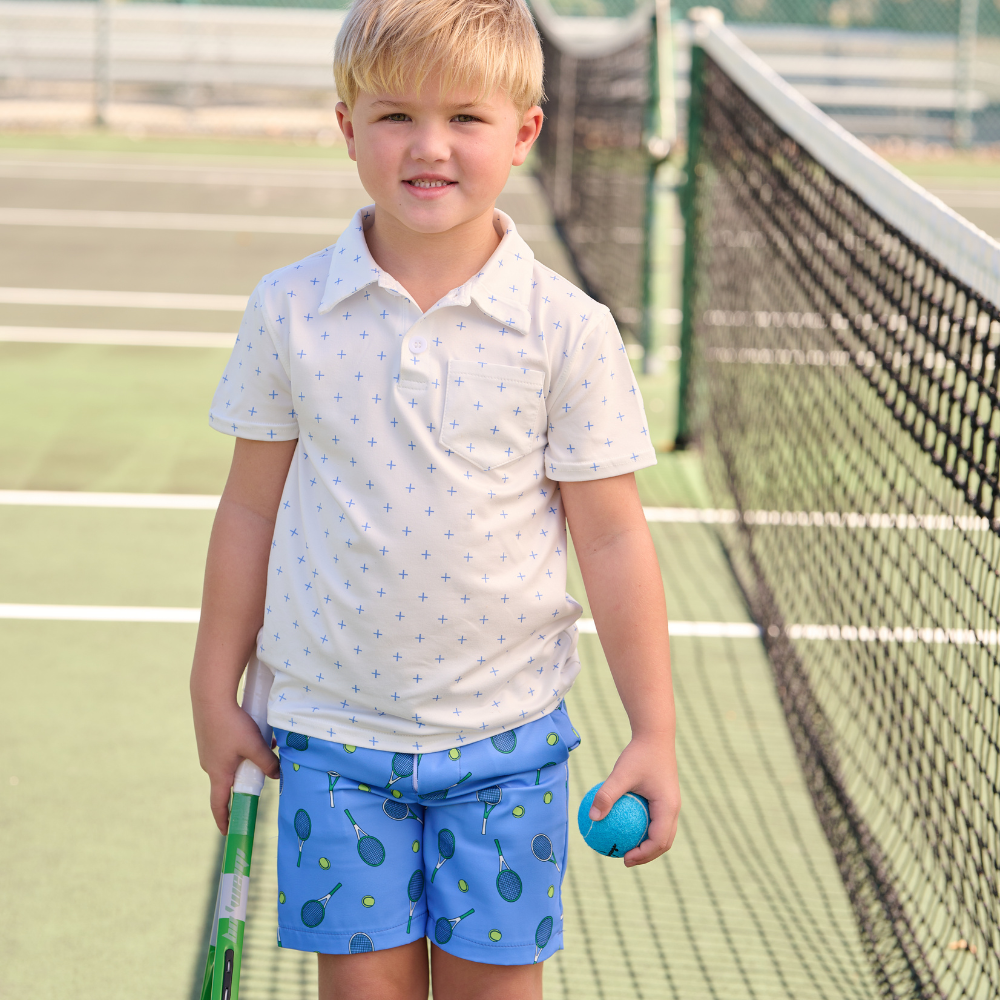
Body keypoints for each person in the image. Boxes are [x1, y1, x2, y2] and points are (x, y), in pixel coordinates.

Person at [190, 0, 680, 996]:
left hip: (509, 745)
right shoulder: (288, 310)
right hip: (332, 738)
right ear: (345, 126)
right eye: (394, 116)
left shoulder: (567, 330)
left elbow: (616, 539)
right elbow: (248, 511)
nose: (429, 146)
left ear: (525, 131)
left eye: (465, 117)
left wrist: (654, 729)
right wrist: (212, 686)